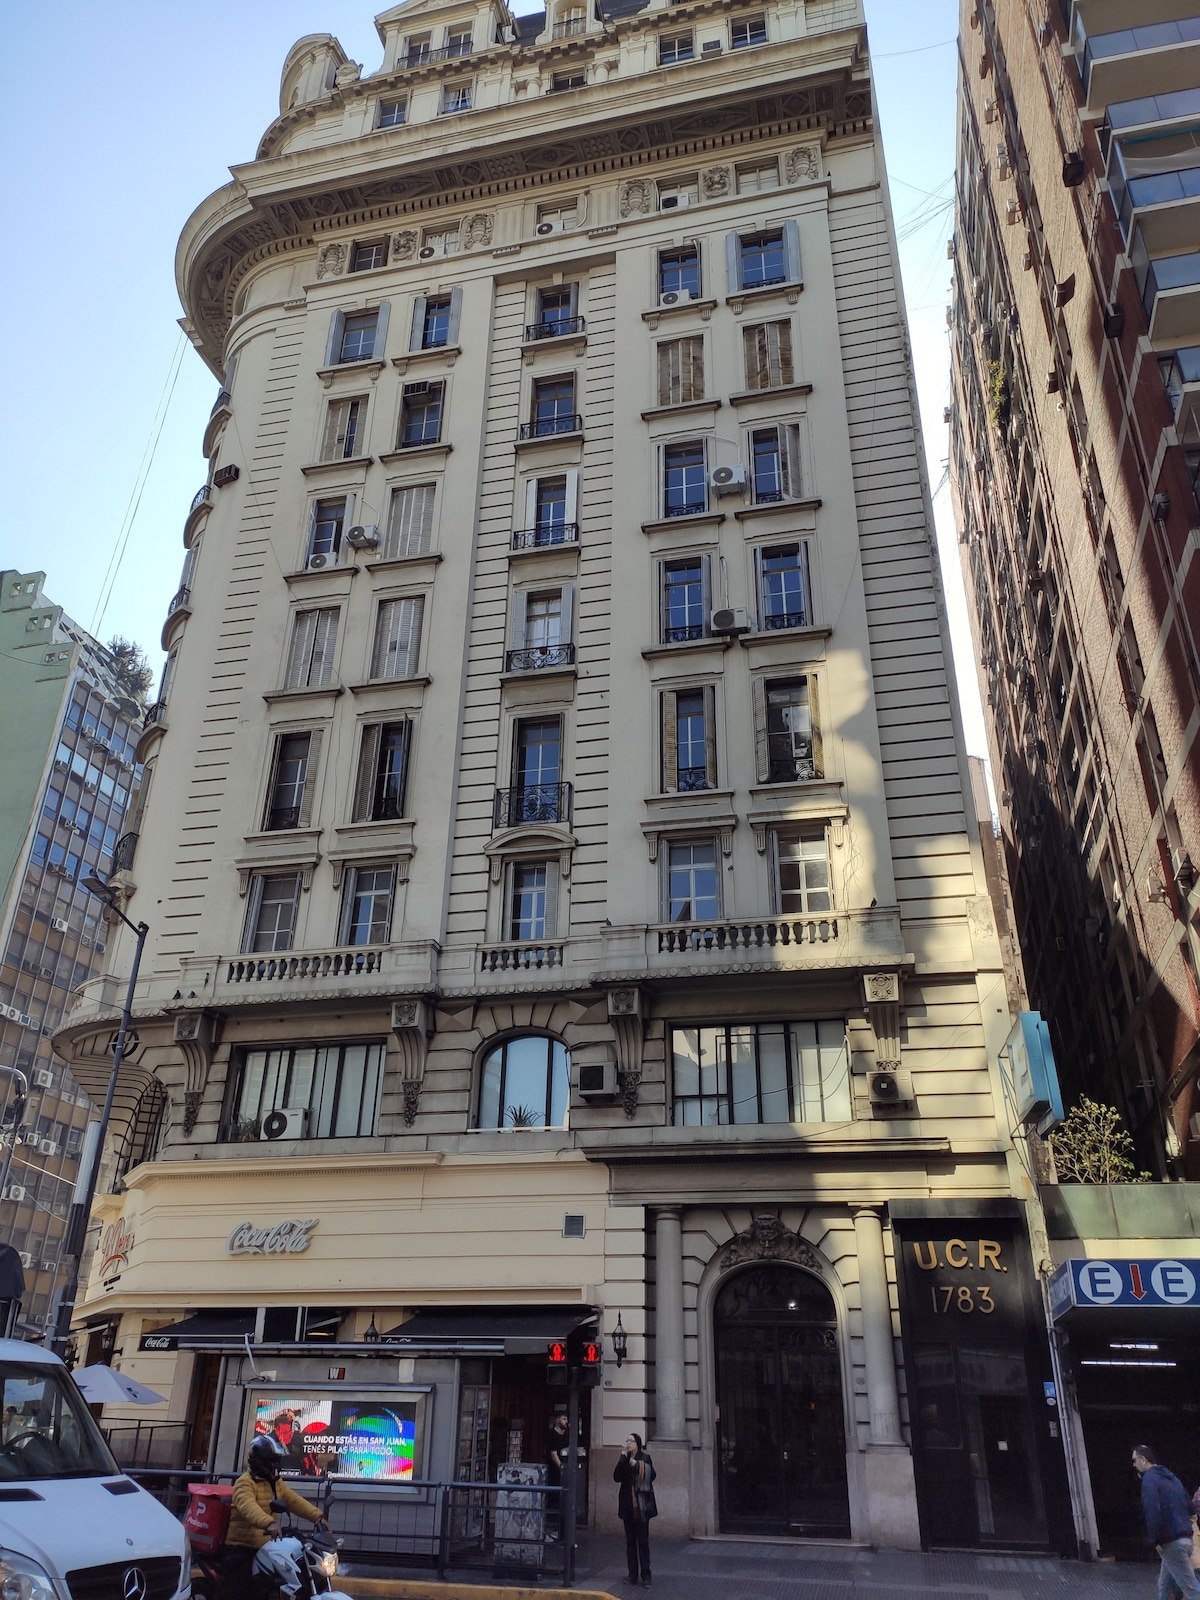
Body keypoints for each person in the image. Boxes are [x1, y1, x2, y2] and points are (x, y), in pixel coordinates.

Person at [219, 1435, 326, 1600]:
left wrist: (317, 1517)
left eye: (277, 1461)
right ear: (259, 1461)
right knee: (239, 1592)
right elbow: (248, 1506)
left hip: (266, 1546)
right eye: (272, 1461)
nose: (276, 1465)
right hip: (241, 1547)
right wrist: (269, 1523)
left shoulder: (275, 1482)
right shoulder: (244, 1483)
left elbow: (293, 1500)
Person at [1132, 1444, 1200, 1600]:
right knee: (1165, 1586)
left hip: (1171, 1543)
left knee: (1192, 1589)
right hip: (1185, 1540)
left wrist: (1154, 1539)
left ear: (1143, 1460)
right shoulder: (1172, 1478)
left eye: (1135, 1460)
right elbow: (1190, 1507)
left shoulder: (1149, 1480)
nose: (1134, 1464)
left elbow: (1152, 1510)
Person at [613, 1432, 656, 1587]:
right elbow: (616, 1477)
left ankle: (646, 1576)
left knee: (642, 1541)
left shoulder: (645, 1458)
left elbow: (652, 1475)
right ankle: (632, 1575)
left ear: (638, 1443)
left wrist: (636, 1465)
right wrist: (622, 1458)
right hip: (627, 1505)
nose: (628, 1443)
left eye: (631, 1441)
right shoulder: (624, 1460)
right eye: (627, 1441)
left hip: (642, 1506)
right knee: (630, 1542)